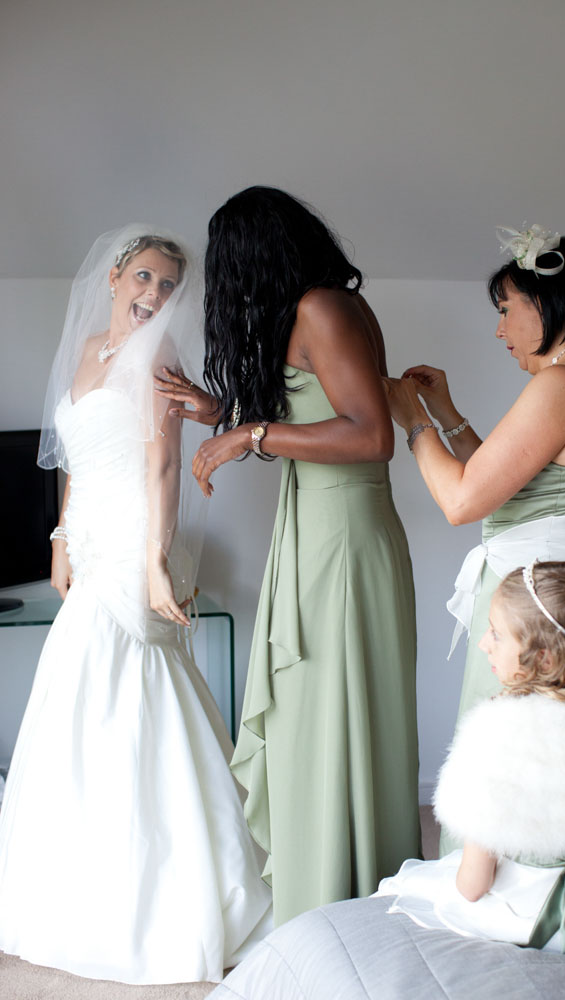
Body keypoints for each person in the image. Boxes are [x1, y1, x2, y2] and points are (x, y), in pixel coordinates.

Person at [0, 226, 271, 985]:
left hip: (132, 547)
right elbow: (73, 460)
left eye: (167, 287)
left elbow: (162, 468)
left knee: (135, 688)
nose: (153, 296)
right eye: (145, 279)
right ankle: (70, 882)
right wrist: (58, 542)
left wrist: (155, 563)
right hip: (86, 544)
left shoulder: (161, 364)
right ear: (117, 275)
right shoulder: (86, 349)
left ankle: (163, 890)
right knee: (76, 698)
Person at [157, 186, 421, 926]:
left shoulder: (322, 308)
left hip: (342, 538)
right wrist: (224, 413)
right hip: (317, 527)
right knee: (316, 716)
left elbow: (370, 436)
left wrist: (248, 437)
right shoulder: (321, 309)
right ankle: (328, 900)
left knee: (331, 713)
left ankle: (343, 906)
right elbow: (313, 412)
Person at [384, 225, 565, 852]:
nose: (500, 329)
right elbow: (506, 486)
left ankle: (516, 902)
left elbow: (461, 500)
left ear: (548, 304)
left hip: (543, 622)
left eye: (507, 310)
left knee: (522, 782)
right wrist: (449, 416)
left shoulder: (561, 385)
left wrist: (413, 423)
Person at [376, 555, 565, 953]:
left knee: (405, 887)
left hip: (547, 910)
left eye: (495, 633)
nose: (483, 643)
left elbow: (474, 886)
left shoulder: (496, 734)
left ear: (543, 658)